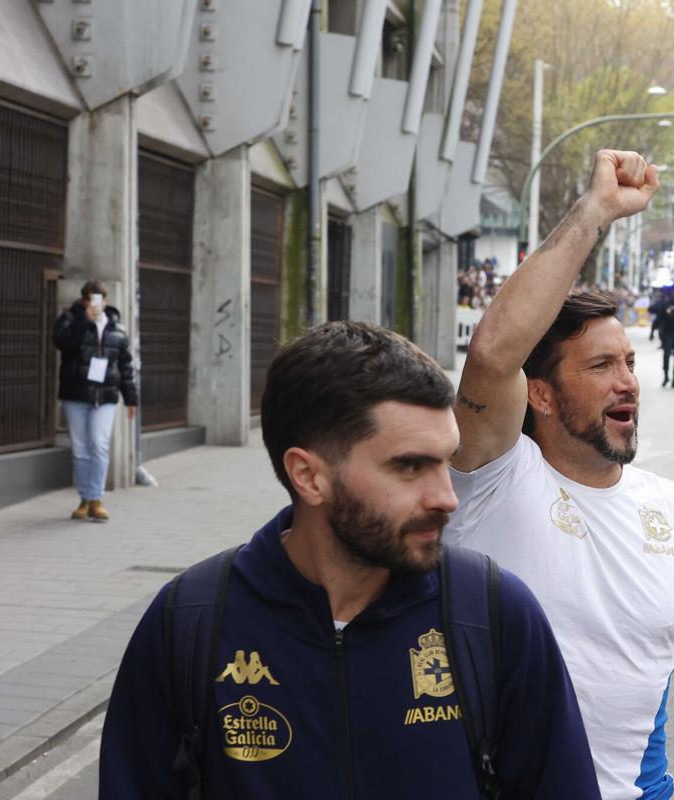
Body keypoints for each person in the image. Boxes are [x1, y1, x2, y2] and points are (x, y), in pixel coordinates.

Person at [99, 321, 601, 799]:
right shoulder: (191, 622)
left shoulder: (492, 615)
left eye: (445, 461)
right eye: (409, 466)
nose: (447, 497)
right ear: (309, 476)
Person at [447, 150, 674, 800]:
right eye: (601, 366)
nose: (628, 380)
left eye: (630, 362)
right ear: (539, 395)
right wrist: (596, 211)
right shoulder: (491, 480)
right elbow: (492, 351)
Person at [52, 280, 137, 522]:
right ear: (84, 301)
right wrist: (83, 322)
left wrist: (131, 398)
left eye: (99, 299)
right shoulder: (70, 320)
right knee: (80, 449)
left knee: (99, 445)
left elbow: (125, 365)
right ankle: (85, 499)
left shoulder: (116, 328)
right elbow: (62, 342)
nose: (95, 304)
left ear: (106, 301)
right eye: (90, 299)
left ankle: (96, 499)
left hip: (106, 396)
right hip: (76, 395)